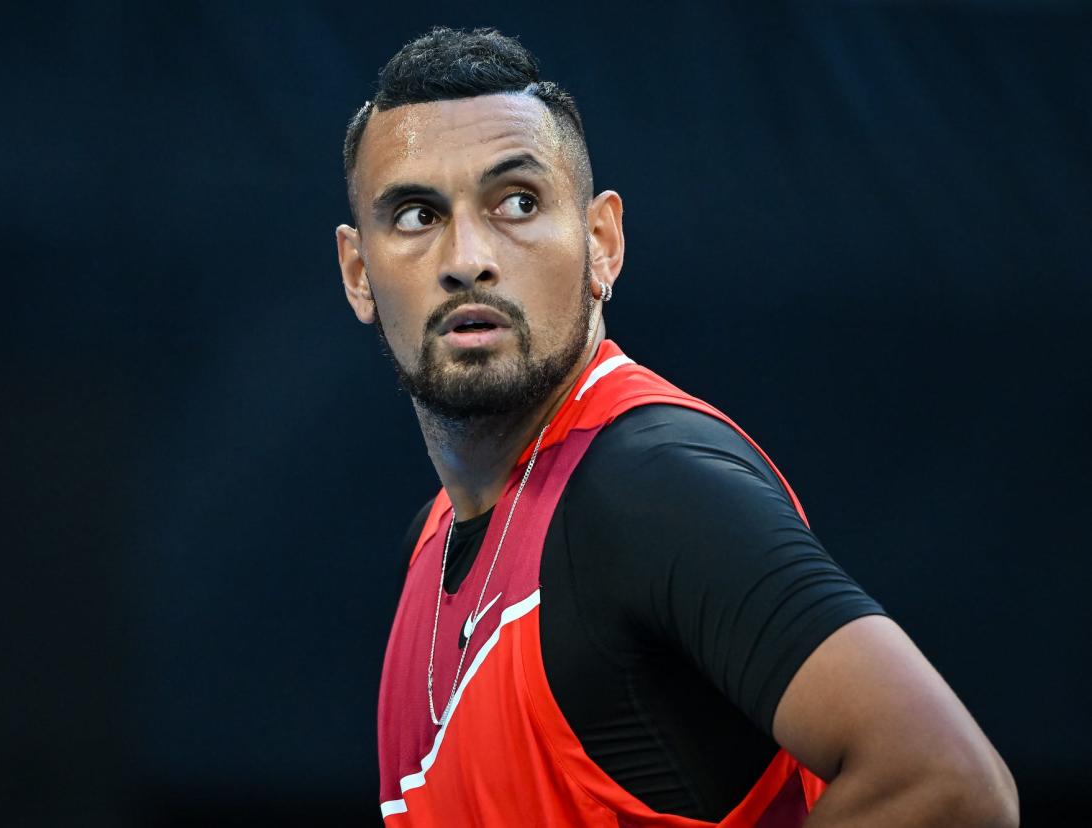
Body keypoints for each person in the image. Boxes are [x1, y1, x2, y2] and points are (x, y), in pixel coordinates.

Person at [334, 26, 1018, 828]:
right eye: (417, 214)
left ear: (602, 243)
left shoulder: (648, 486)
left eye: (517, 202)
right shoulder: (435, 537)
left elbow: (947, 783)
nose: (468, 256)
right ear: (359, 273)